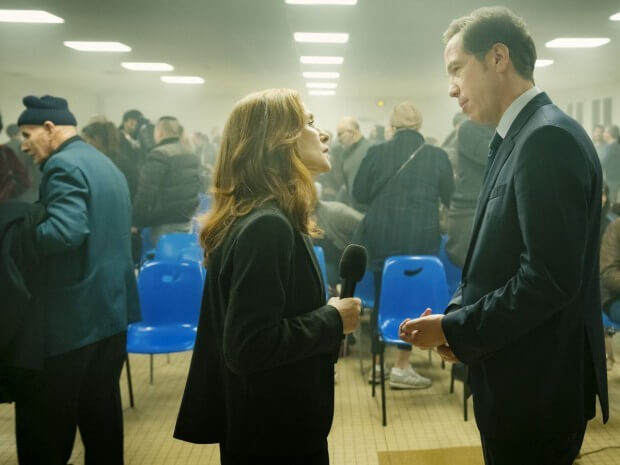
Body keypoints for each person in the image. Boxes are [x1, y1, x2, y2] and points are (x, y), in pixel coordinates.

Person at [399, 8, 608, 465]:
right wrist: (458, 322)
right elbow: (500, 257)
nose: (451, 87)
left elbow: (547, 279)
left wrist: (456, 328)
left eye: (457, 69)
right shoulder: (522, 135)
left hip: (536, 387)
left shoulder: (546, 139)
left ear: (498, 58)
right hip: (517, 371)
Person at [174, 88, 361, 465]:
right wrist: (331, 319)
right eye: (310, 123)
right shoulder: (267, 225)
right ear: (278, 142)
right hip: (273, 433)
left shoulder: (265, 215)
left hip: (265, 424)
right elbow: (248, 345)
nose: (323, 133)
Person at [13, 95, 140, 464]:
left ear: (49, 128)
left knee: (46, 431)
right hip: (110, 315)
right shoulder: (104, 163)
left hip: (73, 323)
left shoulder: (63, 165)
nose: (23, 145)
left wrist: (15, 236)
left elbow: (65, 232)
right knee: (101, 420)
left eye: (27, 135)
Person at [353, 101, 454, 389]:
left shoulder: (376, 152)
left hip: (380, 237)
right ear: (419, 125)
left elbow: (359, 193)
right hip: (420, 240)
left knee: (382, 298)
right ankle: (401, 365)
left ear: (392, 126)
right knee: (413, 301)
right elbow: (450, 195)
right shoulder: (437, 156)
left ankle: (376, 365)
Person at [132, 116, 201, 244]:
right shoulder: (191, 153)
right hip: (187, 220)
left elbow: (146, 192)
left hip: (164, 223)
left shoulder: (158, 154)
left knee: (162, 254)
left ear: (159, 132)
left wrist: (135, 221)